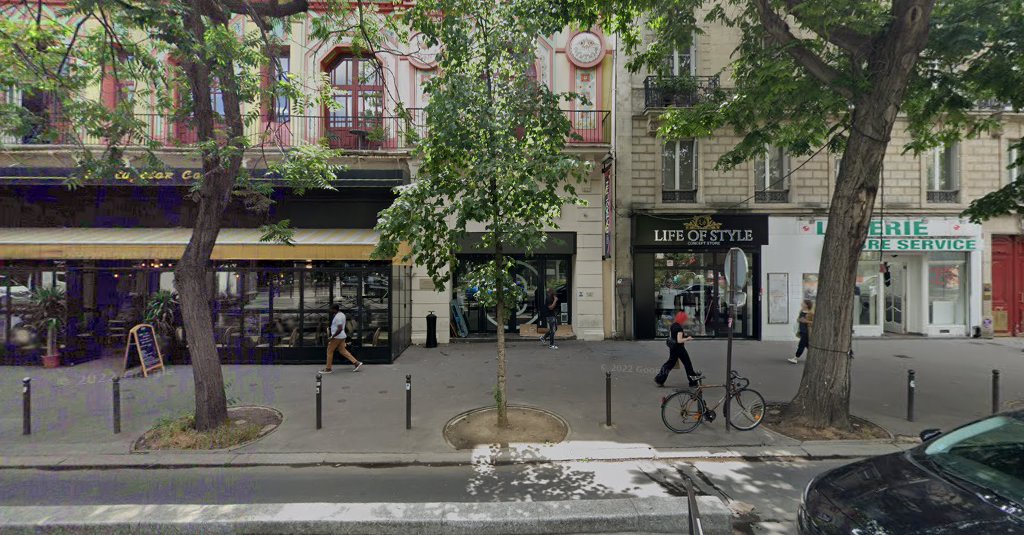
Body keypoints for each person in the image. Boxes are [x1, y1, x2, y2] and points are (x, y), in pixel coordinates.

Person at [655, 311, 702, 387]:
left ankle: (660, 379)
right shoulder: (679, 328)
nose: (686, 320)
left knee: (669, 364)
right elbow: (679, 340)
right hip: (679, 349)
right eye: (685, 319)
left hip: (673, 348)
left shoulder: (673, 325)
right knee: (687, 364)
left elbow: (671, 336)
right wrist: (687, 338)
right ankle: (693, 381)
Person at [323, 304, 362, 374]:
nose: (330, 311)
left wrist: (332, 336)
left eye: (331, 309)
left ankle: (328, 369)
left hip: (337, 337)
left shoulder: (338, 317)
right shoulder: (342, 314)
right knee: (342, 350)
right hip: (342, 336)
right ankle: (356, 363)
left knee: (329, 351)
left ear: (334, 309)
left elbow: (340, 328)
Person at [789, 299, 814, 364]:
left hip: (807, 331)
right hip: (801, 330)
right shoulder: (801, 311)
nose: (801, 303)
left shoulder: (811, 313)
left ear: (806, 305)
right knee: (808, 345)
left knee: (801, 345)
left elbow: (814, 322)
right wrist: (799, 320)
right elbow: (798, 319)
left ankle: (795, 358)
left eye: (803, 303)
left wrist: (806, 321)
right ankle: (816, 357)